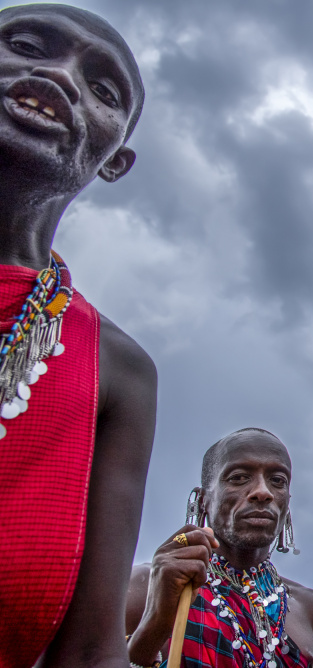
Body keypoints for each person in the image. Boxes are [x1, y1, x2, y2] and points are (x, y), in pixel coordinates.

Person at [0, 5, 157, 666]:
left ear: (115, 160)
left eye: (103, 89)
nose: (58, 75)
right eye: (29, 45)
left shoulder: (116, 371)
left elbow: (90, 653)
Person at [126, 428, 313, 668]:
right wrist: (155, 621)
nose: (263, 492)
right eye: (238, 477)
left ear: (287, 502)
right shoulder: (144, 587)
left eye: (277, 481)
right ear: (203, 500)